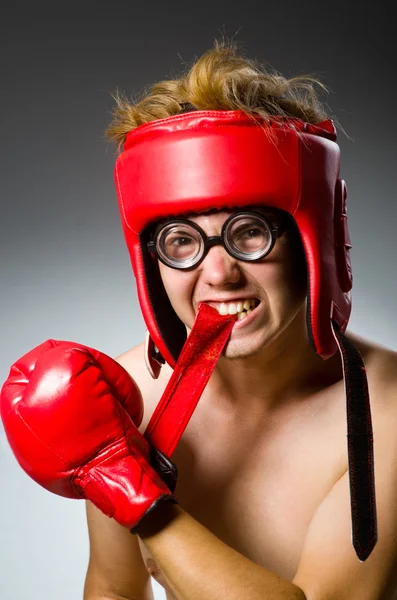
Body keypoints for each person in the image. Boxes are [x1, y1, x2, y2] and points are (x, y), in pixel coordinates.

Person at [1, 41, 397, 600]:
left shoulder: (387, 415)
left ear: (315, 239)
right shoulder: (130, 395)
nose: (219, 274)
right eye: (181, 241)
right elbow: (115, 588)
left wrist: (138, 498)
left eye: (250, 232)